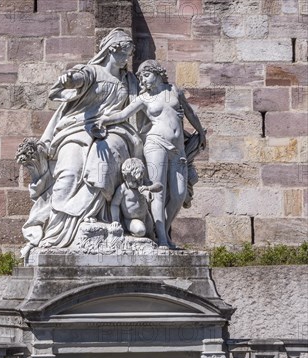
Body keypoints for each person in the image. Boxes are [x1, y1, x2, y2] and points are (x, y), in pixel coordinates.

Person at [20, 28, 143, 250]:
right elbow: (78, 78)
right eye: (122, 53)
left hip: (115, 130)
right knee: (69, 171)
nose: (126, 59)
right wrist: (71, 79)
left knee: (103, 157)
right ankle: (58, 232)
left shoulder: (129, 80)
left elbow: (148, 103)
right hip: (77, 130)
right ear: (109, 50)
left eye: (128, 54)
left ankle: (99, 221)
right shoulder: (92, 72)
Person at [96, 60, 206, 247]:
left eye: (146, 75)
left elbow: (190, 113)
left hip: (178, 148)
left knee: (179, 195)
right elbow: (123, 115)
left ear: (156, 72)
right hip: (156, 144)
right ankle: (163, 238)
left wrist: (201, 132)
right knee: (158, 191)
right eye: (140, 78)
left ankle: (159, 230)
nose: (143, 81)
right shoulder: (144, 98)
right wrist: (104, 119)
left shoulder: (173, 90)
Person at [110, 158, 160, 240]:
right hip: (132, 219)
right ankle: (129, 229)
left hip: (146, 216)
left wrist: (149, 188)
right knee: (141, 230)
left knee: (152, 234)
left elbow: (160, 186)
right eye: (134, 180)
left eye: (140, 179)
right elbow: (115, 204)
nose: (138, 182)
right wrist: (115, 220)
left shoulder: (143, 183)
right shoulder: (123, 189)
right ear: (125, 177)